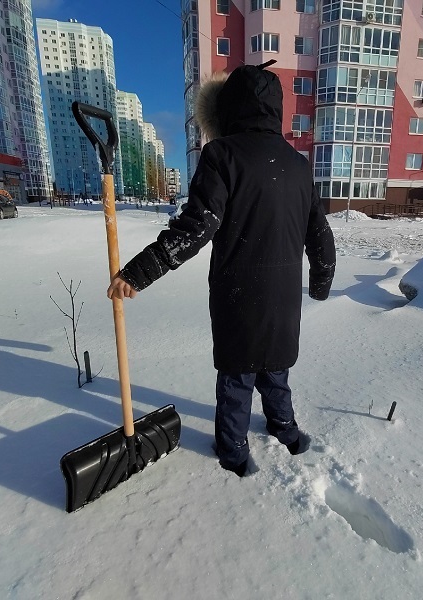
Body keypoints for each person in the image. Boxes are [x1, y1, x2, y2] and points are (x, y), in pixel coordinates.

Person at [106, 61, 336, 477]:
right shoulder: (298, 165)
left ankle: (233, 451)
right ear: (275, 108)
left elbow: (197, 227)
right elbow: (319, 232)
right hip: (284, 295)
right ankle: (285, 428)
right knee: (275, 366)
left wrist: (138, 273)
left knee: (237, 376)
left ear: (228, 110)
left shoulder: (222, 155)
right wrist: (321, 280)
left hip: (239, 292)